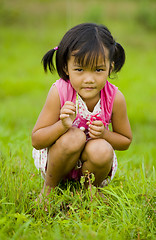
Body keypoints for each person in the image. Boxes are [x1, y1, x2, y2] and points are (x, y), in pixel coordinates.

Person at [32, 23, 132, 198]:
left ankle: (88, 192)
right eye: (79, 69)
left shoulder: (115, 98)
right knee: (74, 136)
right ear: (66, 68)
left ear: (110, 67)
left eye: (98, 69)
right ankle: (49, 189)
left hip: (92, 163)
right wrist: (62, 126)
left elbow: (125, 141)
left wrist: (105, 135)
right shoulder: (60, 92)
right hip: (58, 161)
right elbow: (37, 140)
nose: (89, 79)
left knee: (102, 149)